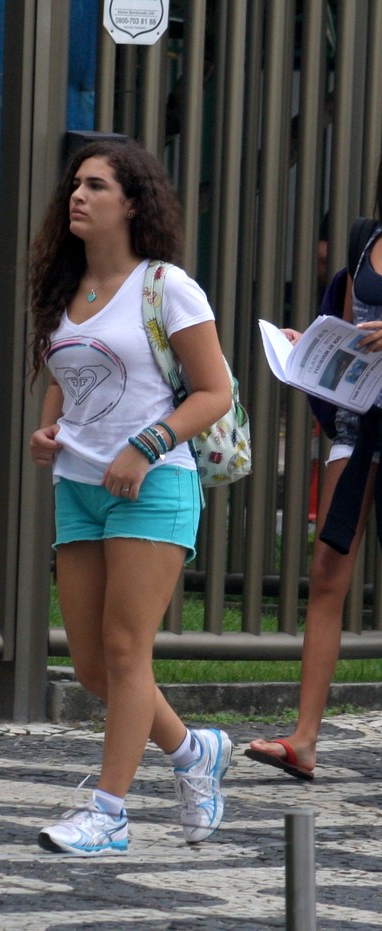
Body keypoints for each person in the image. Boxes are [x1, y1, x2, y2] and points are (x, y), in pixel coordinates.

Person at [28, 138, 233, 856]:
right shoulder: (66, 287)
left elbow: (216, 391)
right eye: (75, 185)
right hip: (78, 487)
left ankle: (109, 813)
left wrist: (144, 446)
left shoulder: (167, 286)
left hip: (155, 484)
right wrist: (48, 431)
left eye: (96, 185)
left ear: (134, 202)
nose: (78, 195)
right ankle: (193, 752)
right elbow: (67, 376)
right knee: (93, 667)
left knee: (124, 648)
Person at [247, 155, 382, 780]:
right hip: (358, 428)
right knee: (327, 572)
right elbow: (352, 329)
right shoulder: (366, 240)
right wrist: (315, 348)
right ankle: (304, 739)